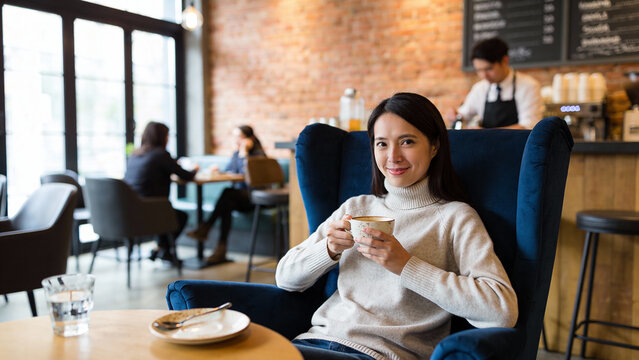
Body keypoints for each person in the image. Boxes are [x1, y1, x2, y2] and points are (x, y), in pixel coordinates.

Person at [276, 93, 518, 360]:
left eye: (407, 142)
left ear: (434, 146)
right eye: (381, 144)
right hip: (314, 341)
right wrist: (328, 249)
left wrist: (406, 266)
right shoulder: (356, 208)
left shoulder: (455, 217)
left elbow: (501, 311)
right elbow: (285, 279)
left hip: (380, 355)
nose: (393, 157)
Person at [186, 125, 266, 264]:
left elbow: (249, 177)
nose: (236, 141)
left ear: (250, 139)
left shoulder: (258, 155)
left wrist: (244, 154)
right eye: (235, 137)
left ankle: (206, 228)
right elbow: (230, 170)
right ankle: (220, 250)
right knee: (227, 202)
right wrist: (219, 170)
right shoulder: (236, 153)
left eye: (239, 137)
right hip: (240, 198)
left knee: (227, 194)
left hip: (255, 197)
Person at [123, 121, 197, 263]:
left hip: (129, 211)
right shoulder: (160, 154)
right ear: (163, 137)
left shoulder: (135, 155)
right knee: (179, 216)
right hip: (150, 210)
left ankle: (161, 249)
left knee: (167, 212)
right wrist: (196, 169)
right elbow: (186, 175)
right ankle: (163, 249)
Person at [445, 37, 544, 129]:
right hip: (487, 147)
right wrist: (455, 115)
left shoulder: (528, 86)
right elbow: (464, 114)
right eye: (479, 70)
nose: (484, 75)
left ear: (505, 60)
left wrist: (487, 134)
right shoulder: (480, 88)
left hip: (519, 146)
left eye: (489, 69)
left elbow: (529, 126)